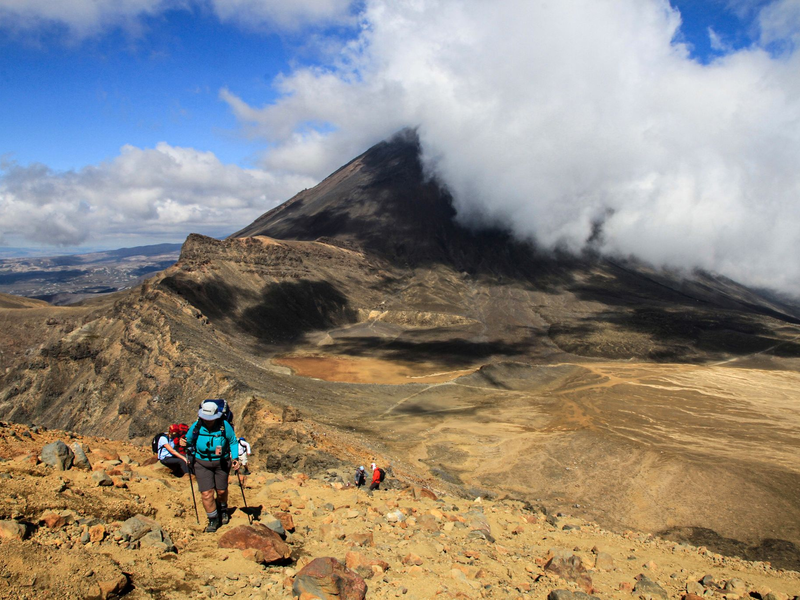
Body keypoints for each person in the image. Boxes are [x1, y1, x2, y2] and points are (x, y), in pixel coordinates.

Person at [186, 400, 240, 532]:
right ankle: (213, 519)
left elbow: (233, 442)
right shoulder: (197, 426)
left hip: (221, 462)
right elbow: (188, 440)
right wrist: (185, 447)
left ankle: (223, 508)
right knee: (206, 493)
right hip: (201, 463)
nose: (207, 420)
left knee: (221, 491)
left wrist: (235, 458)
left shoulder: (224, 426)